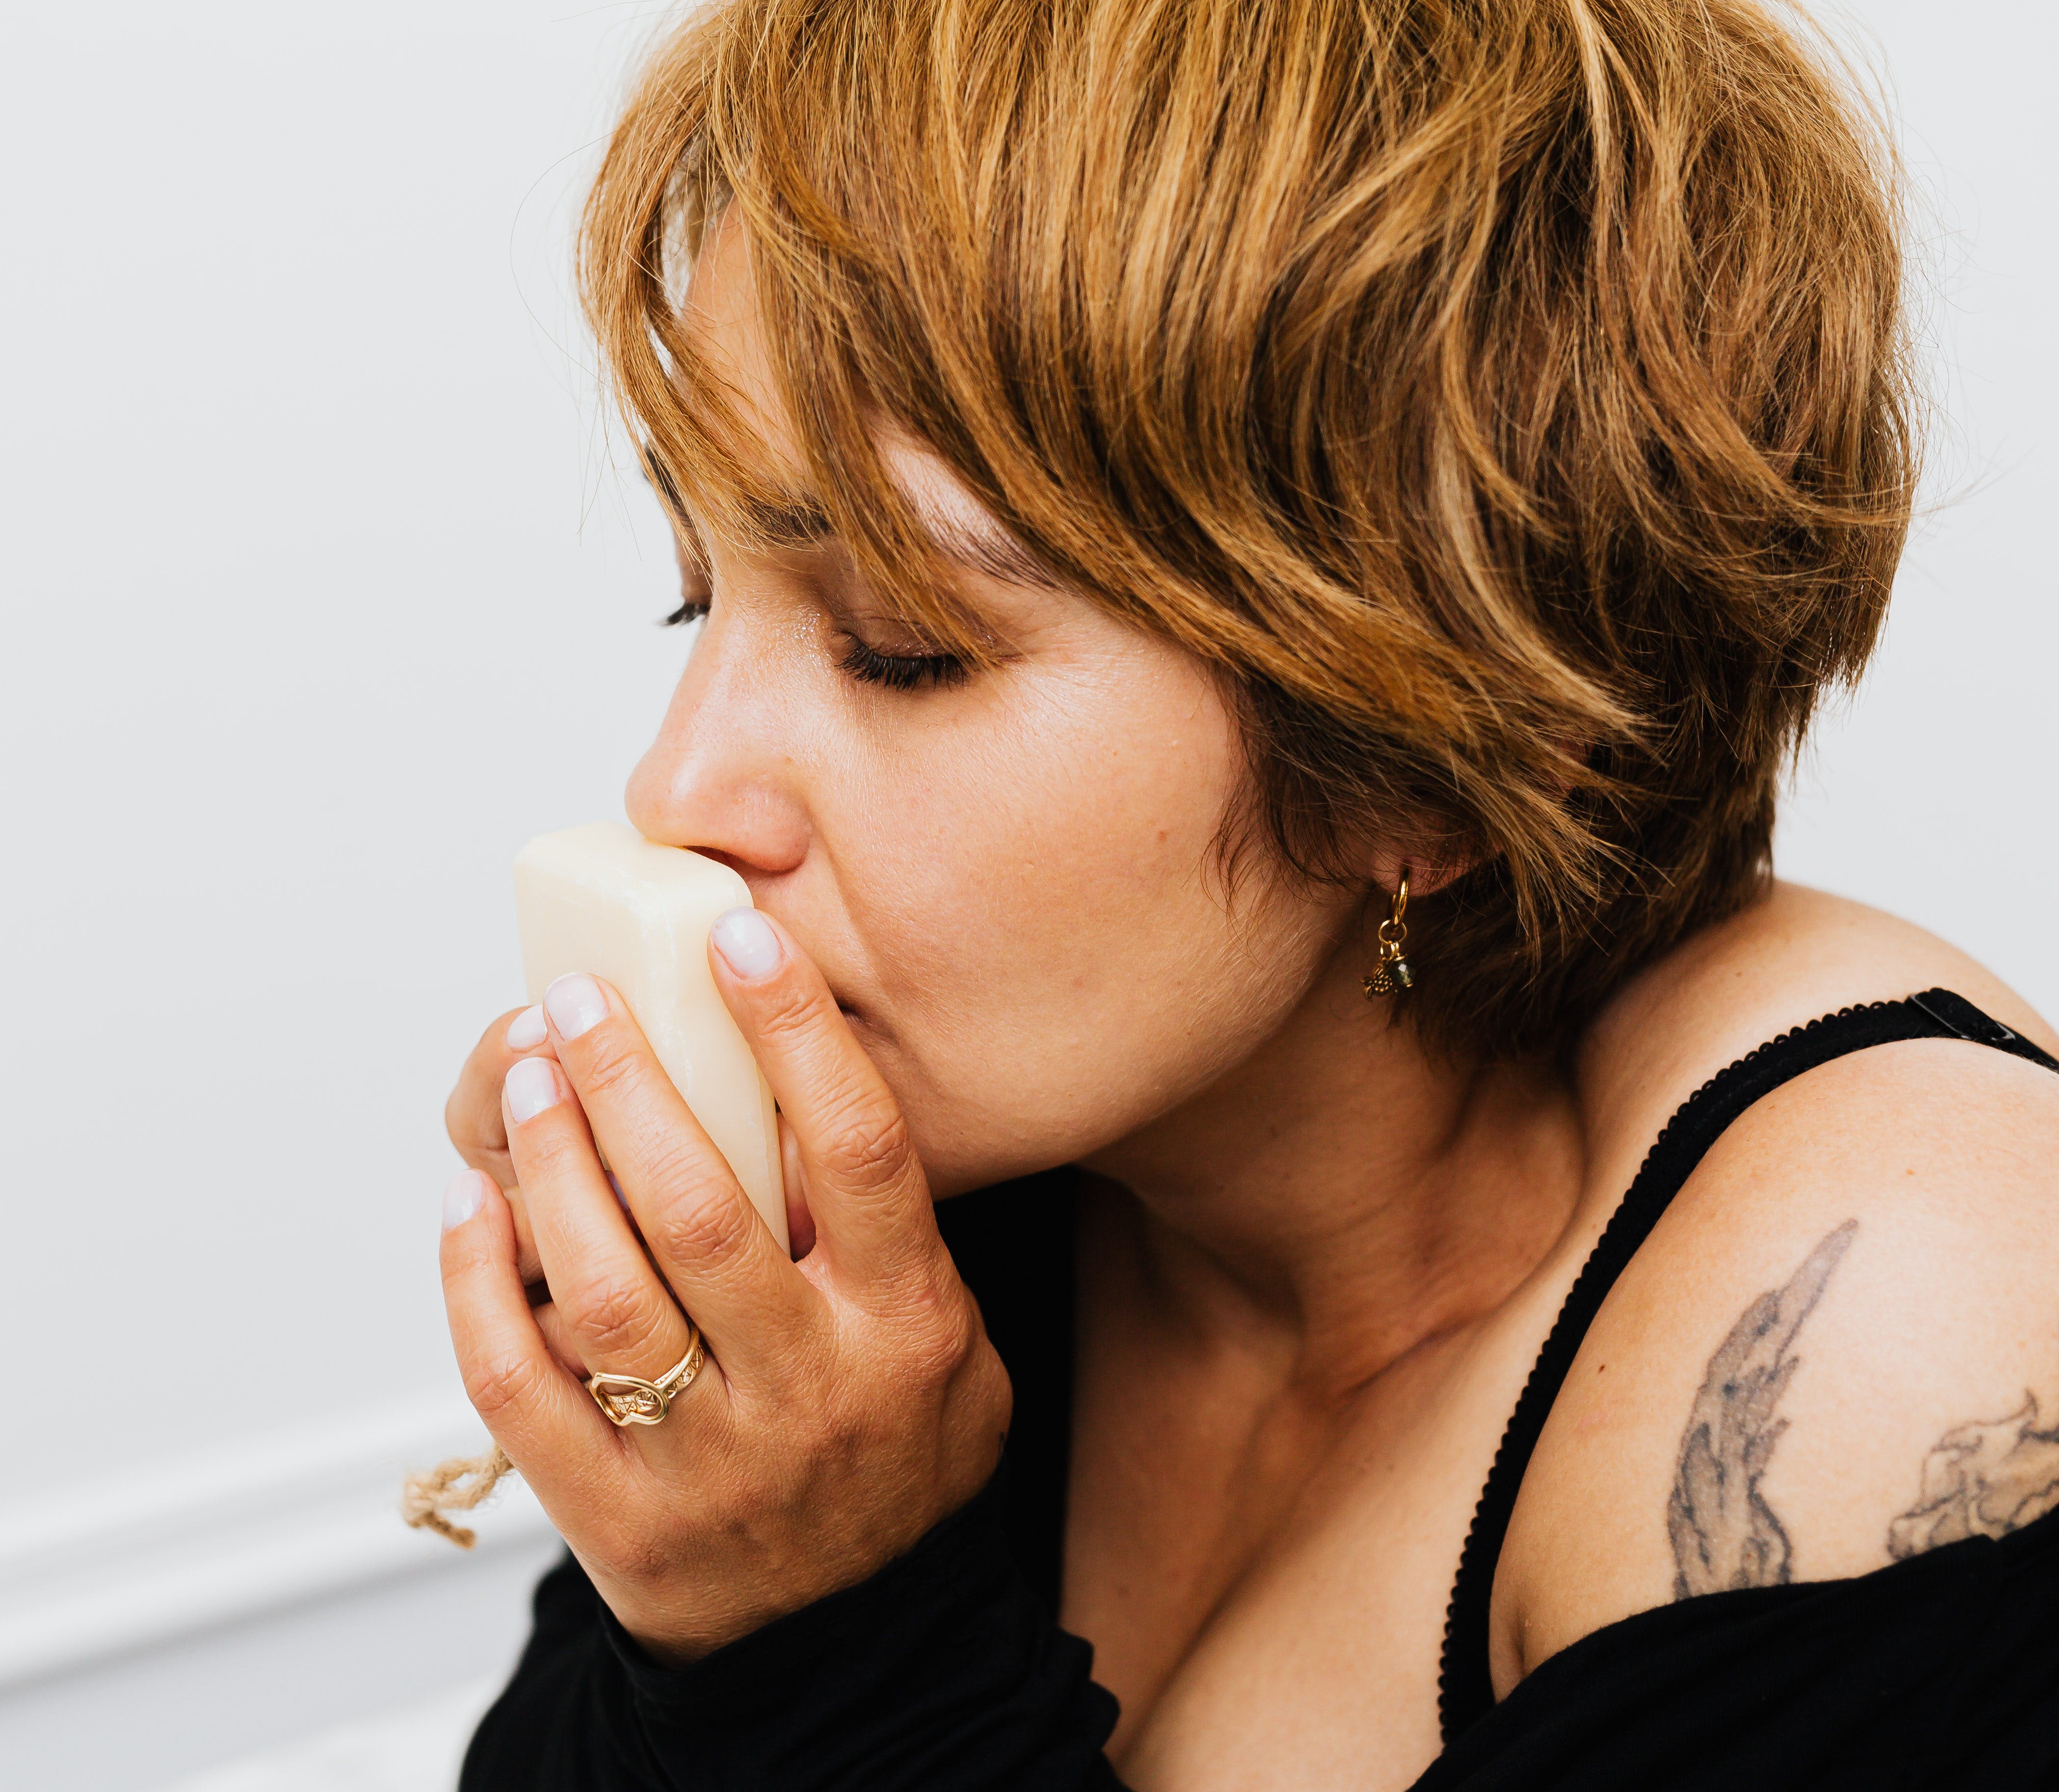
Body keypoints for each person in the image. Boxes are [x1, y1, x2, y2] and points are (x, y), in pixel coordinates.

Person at [432, 0, 2059, 1784]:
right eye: (698, 592)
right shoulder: (1001, 1148)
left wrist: (829, 1630)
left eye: (903, 649)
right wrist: (697, 1526)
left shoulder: (1893, 1324)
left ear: (1425, 767)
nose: (675, 788)